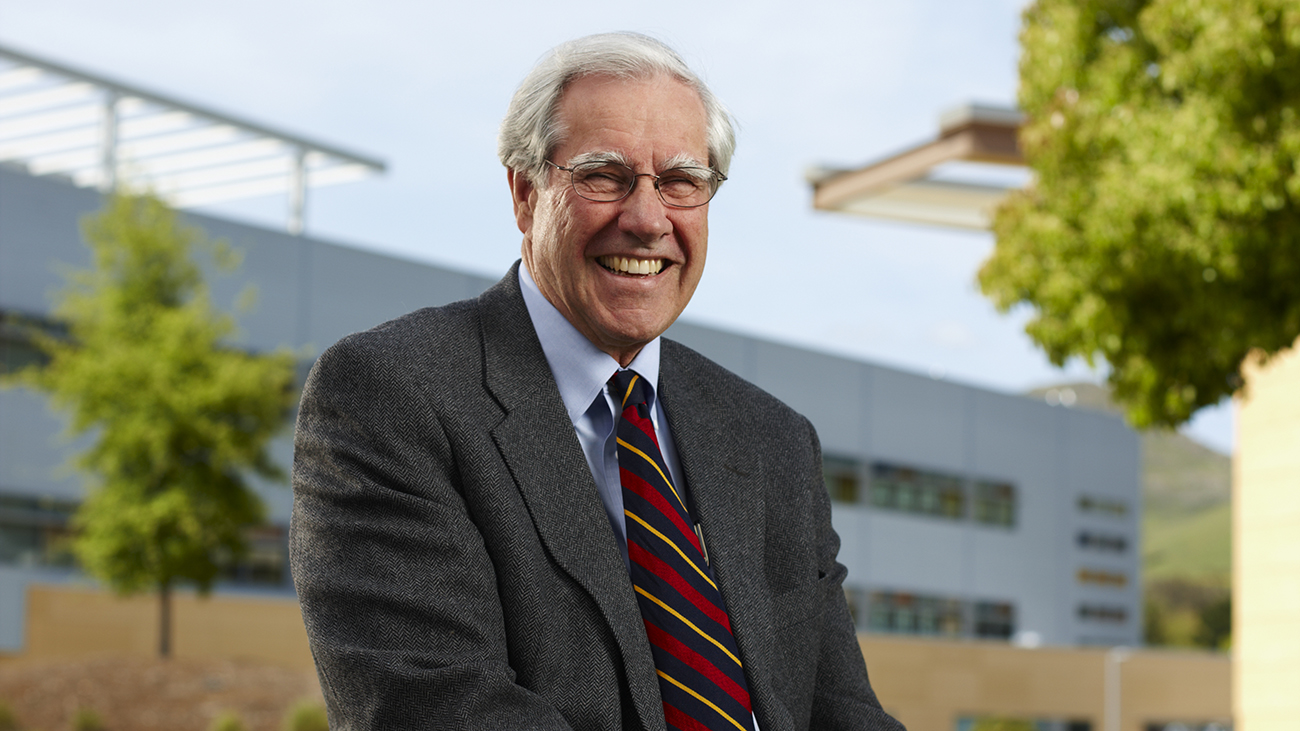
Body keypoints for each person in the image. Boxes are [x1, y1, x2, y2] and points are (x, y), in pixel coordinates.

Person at [290, 32, 905, 731]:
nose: (647, 220)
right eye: (604, 175)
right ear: (525, 194)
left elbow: (843, 712)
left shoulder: (774, 440)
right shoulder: (393, 394)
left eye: (680, 182)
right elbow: (432, 704)